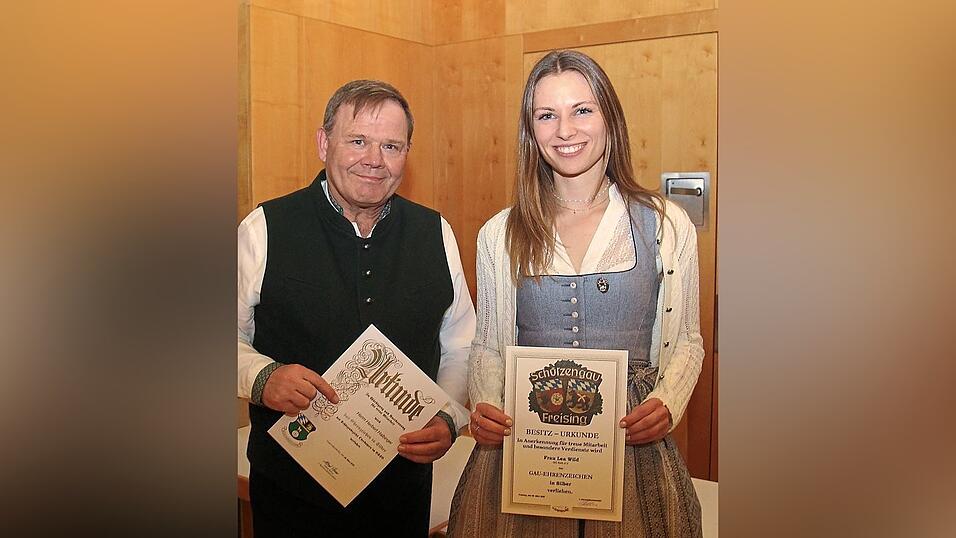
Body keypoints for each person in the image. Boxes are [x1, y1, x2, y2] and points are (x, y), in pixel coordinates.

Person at [447, 50, 704, 537]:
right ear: (531, 130)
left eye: (581, 110)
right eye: (547, 115)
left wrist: (669, 402)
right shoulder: (499, 233)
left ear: (609, 116)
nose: (565, 130)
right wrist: (484, 401)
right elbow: (488, 343)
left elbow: (687, 337)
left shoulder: (667, 225)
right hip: (528, 450)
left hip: (631, 448)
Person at [238, 79, 476, 537]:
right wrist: (263, 378)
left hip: (400, 497)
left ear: (407, 153)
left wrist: (448, 417)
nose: (374, 160)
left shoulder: (435, 233)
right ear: (324, 143)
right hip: (292, 499)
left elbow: (461, 344)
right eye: (358, 141)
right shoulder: (265, 228)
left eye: (391, 145)